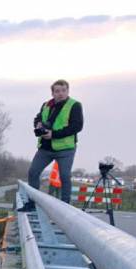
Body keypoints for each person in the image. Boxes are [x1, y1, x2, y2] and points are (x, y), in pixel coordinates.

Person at [22, 79, 83, 211]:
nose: (60, 93)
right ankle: (32, 203)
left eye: (63, 90)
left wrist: (53, 134)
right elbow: (37, 118)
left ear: (68, 91)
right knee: (33, 172)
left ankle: (66, 207)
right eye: (57, 91)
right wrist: (38, 124)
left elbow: (77, 126)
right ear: (52, 93)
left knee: (65, 177)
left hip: (65, 149)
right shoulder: (46, 105)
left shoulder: (75, 105)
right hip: (45, 148)